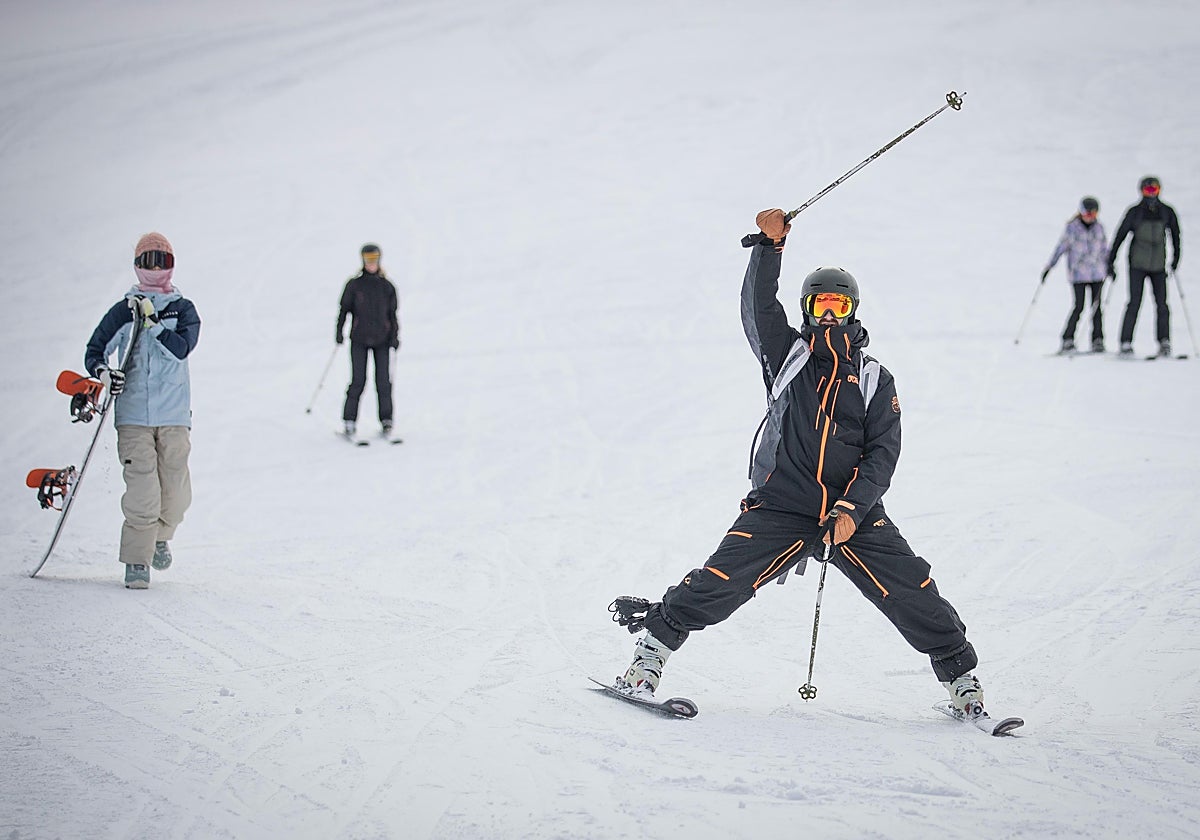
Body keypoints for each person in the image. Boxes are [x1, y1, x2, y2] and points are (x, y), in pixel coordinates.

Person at [612, 209, 994, 721]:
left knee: (914, 591)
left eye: (840, 305)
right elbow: (757, 308)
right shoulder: (786, 357)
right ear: (808, 308)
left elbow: (883, 452)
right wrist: (770, 249)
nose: (831, 314)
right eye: (822, 304)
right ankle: (646, 663)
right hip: (781, 505)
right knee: (720, 581)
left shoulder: (876, 379)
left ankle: (964, 686)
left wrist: (852, 510)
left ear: (854, 310)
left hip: (852, 515)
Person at [85, 232, 201, 589]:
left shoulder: (183, 309)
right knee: (142, 492)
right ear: (137, 265)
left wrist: (153, 325)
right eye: (147, 260)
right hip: (134, 414)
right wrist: (105, 374)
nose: (154, 268)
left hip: (174, 415)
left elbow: (182, 348)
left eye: (161, 261)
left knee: (177, 495)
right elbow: (95, 351)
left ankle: (160, 537)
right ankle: (137, 560)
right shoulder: (125, 310)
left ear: (171, 264)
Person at [1107, 176, 1181, 358]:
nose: (1151, 194)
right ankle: (1125, 342)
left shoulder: (1166, 211)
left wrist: (1176, 258)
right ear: (1141, 191)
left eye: (1154, 190)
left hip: (1158, 266)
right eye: (1148, 190)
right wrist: (1111, 260)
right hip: (1137, 265)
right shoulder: (1135, 212)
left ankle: (1164, 342)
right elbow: (1120, 235)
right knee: (1134, 303)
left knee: (1162, 305)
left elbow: (1176, 235)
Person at [336, 244, 400, 438]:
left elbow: (392, 315)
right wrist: (339, 332)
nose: (371, 263)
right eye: (368, 259)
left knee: (383, 382)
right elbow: (344, 310)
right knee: (358, 381)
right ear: (363, 260)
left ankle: (386, 420)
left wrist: (395, 336)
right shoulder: (355, 285)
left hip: (382, 340)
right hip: (359, 340)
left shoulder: (386, 286)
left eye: (374, 259)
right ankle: (349, 420)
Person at [1042, 196, 1109, 354]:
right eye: (1087, 213)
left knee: (1096, 307)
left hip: (1097, 273)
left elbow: (1105, 249)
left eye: (1093, 213)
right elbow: (1061, 248)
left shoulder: (1099, 228)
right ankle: (1068, 339)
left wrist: (1110, 266)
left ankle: (1097, 340)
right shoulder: (1072, 228)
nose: (1090, 216)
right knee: (1078, 306)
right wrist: (1049, 266)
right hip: (1078, 274)